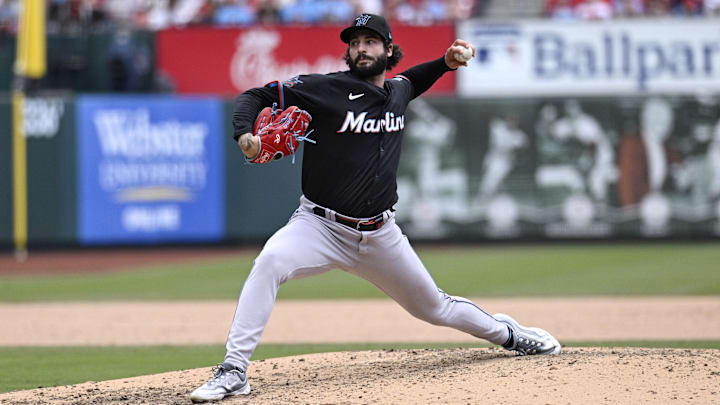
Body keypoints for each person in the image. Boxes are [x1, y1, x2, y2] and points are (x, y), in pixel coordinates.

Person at [189, 13, 561, 403]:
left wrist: (446, 63)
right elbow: (255, 96)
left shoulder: (396, 91)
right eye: (354, 43)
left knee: (434, 307)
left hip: (381, 234)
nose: (361, 48)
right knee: (268, 264)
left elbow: (412, 81)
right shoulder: (325, 88)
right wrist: (244, 132)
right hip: (320, 227)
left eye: (370, 41)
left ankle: (511, 335)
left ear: (387, 49)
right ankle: (234, 371)